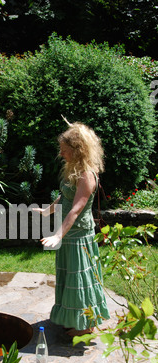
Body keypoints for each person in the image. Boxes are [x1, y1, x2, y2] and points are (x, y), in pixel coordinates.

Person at [34, 119, 110, 337]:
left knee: (80, 281)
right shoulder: (73, 170)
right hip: (68, 234)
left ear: (78, 150)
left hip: (78, 236)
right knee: (70, 280)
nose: (61, 154)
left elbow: (76, 209)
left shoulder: (87, 175)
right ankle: (74, 319)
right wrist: (47, 211)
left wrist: (57, 235)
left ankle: (85, 326)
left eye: (65, 150)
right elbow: (64, 196)